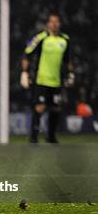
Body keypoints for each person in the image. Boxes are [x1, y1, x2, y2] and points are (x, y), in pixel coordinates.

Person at [20, 12, 74, 144]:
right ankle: (33, 137)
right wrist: (24, 72)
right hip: (41, 79)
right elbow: (27, 54)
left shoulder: (65, 39)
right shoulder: (41, 37)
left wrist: (71, 74)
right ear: (48, 23)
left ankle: (51, 136)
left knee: (56, 108)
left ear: (59, 24)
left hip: (56, 81)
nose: (54, 24)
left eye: (57, 21)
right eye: (52, 21)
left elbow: (68, 60)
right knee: (39, 107)